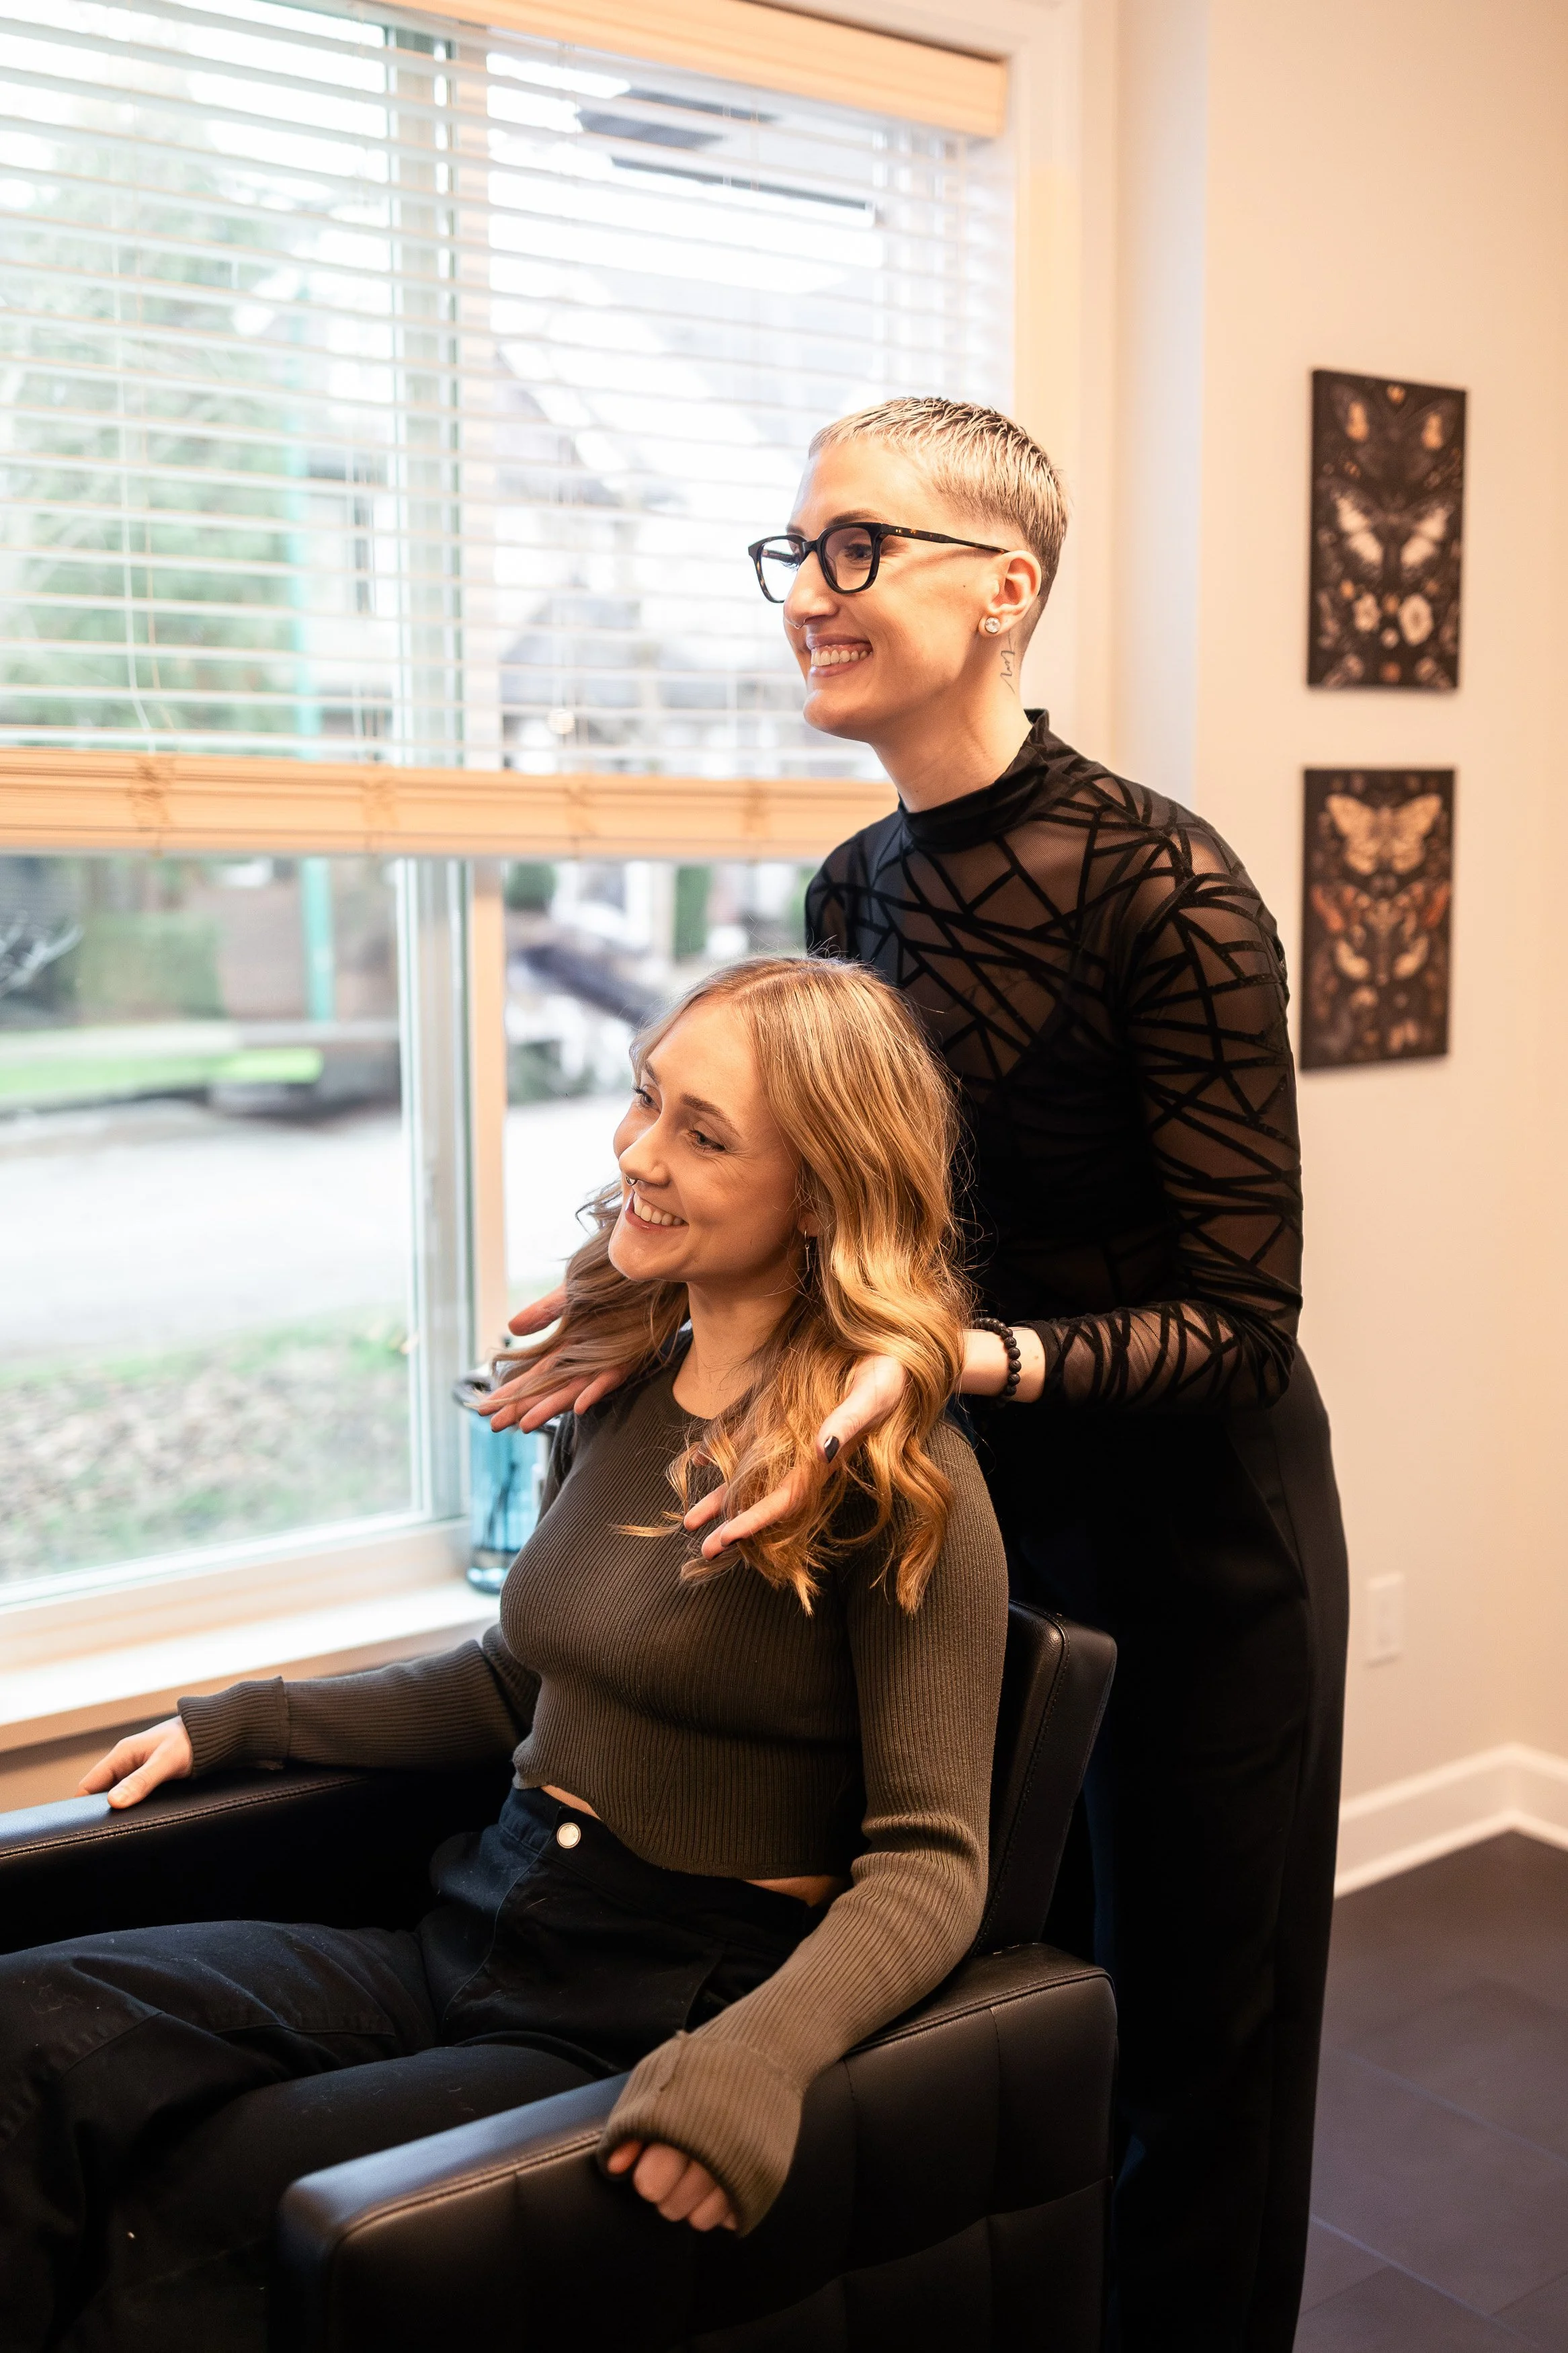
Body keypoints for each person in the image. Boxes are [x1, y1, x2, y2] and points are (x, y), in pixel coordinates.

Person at [493, 399, 1350, 2353]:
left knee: (1197, 2061)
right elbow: (850, 1223)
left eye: (857, 548)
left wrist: (958, 1355)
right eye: (796, 553)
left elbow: (1242, 1323)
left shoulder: (1171, 892)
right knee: (1012, 2019)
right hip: (967, 1526)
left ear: (1004, 586)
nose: (811, 592)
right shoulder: (849, 898)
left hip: (1201, 1554)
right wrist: (623, 1309)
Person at [1, 956, 1008, 2353]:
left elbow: (932, 1862)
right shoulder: (624, 1384)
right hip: (478, 1917)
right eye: (648, 1099)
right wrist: (244, 1721)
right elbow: (512, 1682)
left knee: (198, 2207)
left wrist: (752, 2061)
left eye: (701, 1135)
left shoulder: (899, 1479)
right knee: (33, 2032)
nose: (638, 1152)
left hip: (654, 1995)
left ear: (823, 1192)